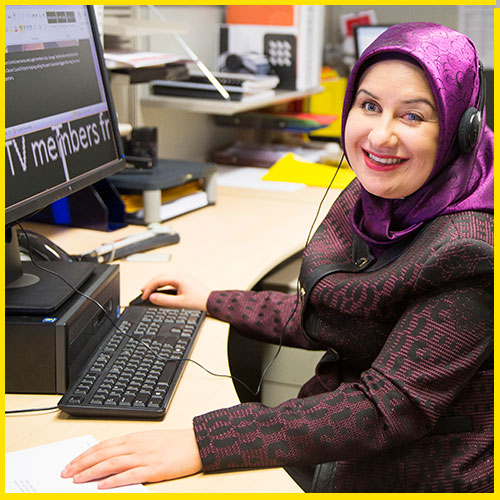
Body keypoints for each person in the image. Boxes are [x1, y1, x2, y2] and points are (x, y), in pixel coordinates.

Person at [61, 22, 493, 493]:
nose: (380, 136)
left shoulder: (468, 252)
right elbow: (337, 313)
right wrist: (213, 300)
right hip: (341, 440)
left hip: (410, 470)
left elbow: (386, 408)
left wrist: (205, 443)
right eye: (369, 106)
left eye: (412, 116)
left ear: (459, 131)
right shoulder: (381, 198)